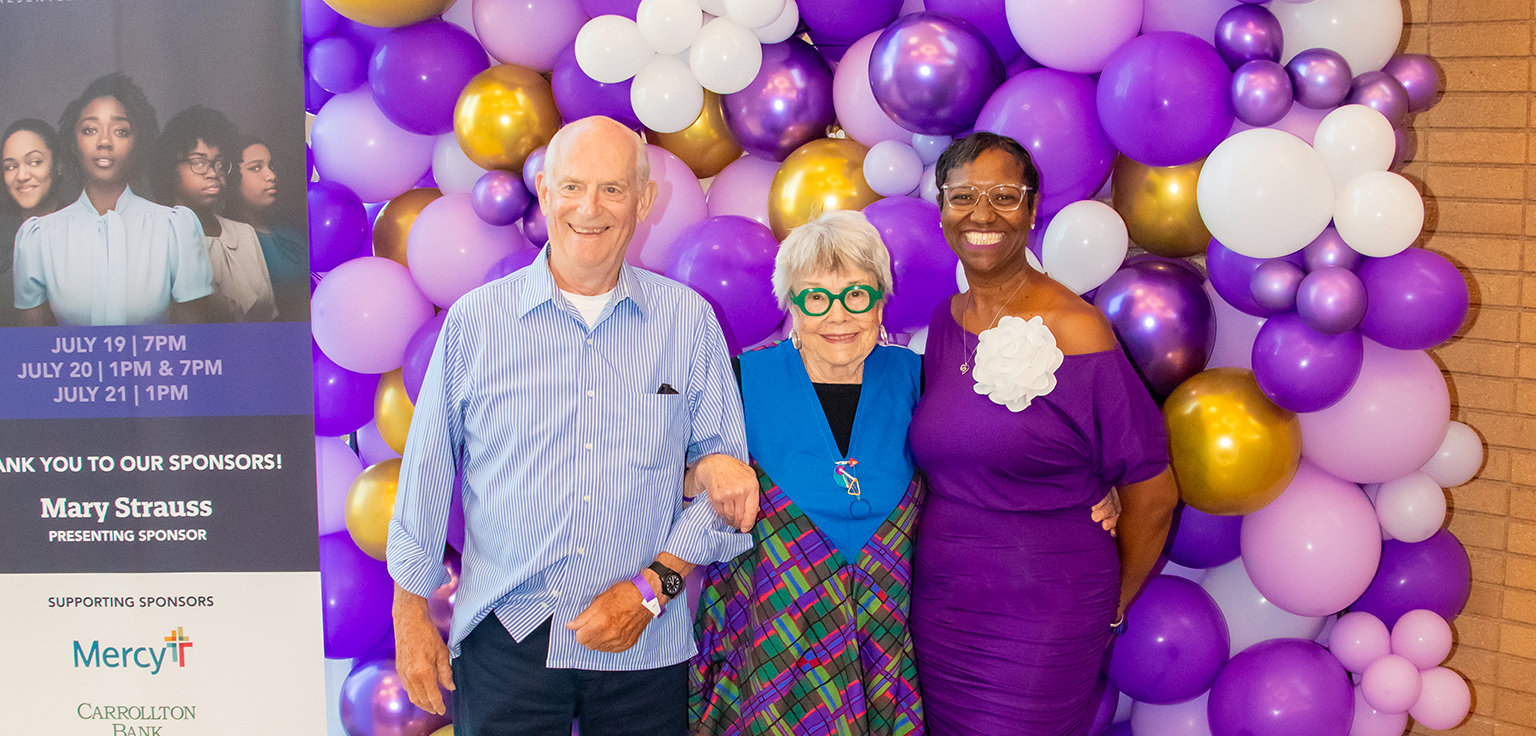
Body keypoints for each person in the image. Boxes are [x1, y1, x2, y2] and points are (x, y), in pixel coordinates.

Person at [387, 115, 760, 736]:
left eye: (613, 189)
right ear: (544, 189)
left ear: (644, 200)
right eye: (572, 186)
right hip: (507, 640)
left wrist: (649, 590)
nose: (590, 207)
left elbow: (726, 478)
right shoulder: (476, 323)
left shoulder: (688, 323)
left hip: (644, 640)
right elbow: (428, 468)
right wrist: (409, 614)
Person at [689, 210, 1120, 736]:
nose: (838, 316)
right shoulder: (739, 381)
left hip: (883, 645)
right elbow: (665, 475)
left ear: (880, 299)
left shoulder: (921, 379)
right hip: (772, 647)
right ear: (792, 305)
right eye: (816, 298)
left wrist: (1096, 482)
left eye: (857, 295)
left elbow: (1004, 445)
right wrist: (708, 466)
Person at [907, 132, 1179, 735]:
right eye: (964, 196)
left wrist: (1113, 607)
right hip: (943, 601)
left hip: (1047, 608)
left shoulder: (1077, 330)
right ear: (943, 209)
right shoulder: (944, 323)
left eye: (1005, 196)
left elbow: (1153, 491)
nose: (982, 214)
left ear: (1031, 211)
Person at [12, 73, 213, 326]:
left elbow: (189, 346)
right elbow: (35, 352)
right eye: (90, 130)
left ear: (137, 142)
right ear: (73, 143)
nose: (104, 142)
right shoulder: (39, 236)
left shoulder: (174, 227)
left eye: (120, 131)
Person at [152, 106, 276, 322]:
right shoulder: (156, 236)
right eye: (199, 162)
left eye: (219, 164)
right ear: (170, 169)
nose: (213, 173)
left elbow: (270, 317)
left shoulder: (244, 234)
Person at [226, 134, 307, 320]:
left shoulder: (292, 229)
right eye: (255, 168)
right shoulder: (228, 245)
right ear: (230, 178)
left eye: (271, 167)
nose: (271, 176)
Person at [1, 119, 72, 327]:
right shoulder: (4, 241)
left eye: (34, 162)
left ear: (58, 166)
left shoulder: (84, 233)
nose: (21, 176)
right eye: (10, 166)